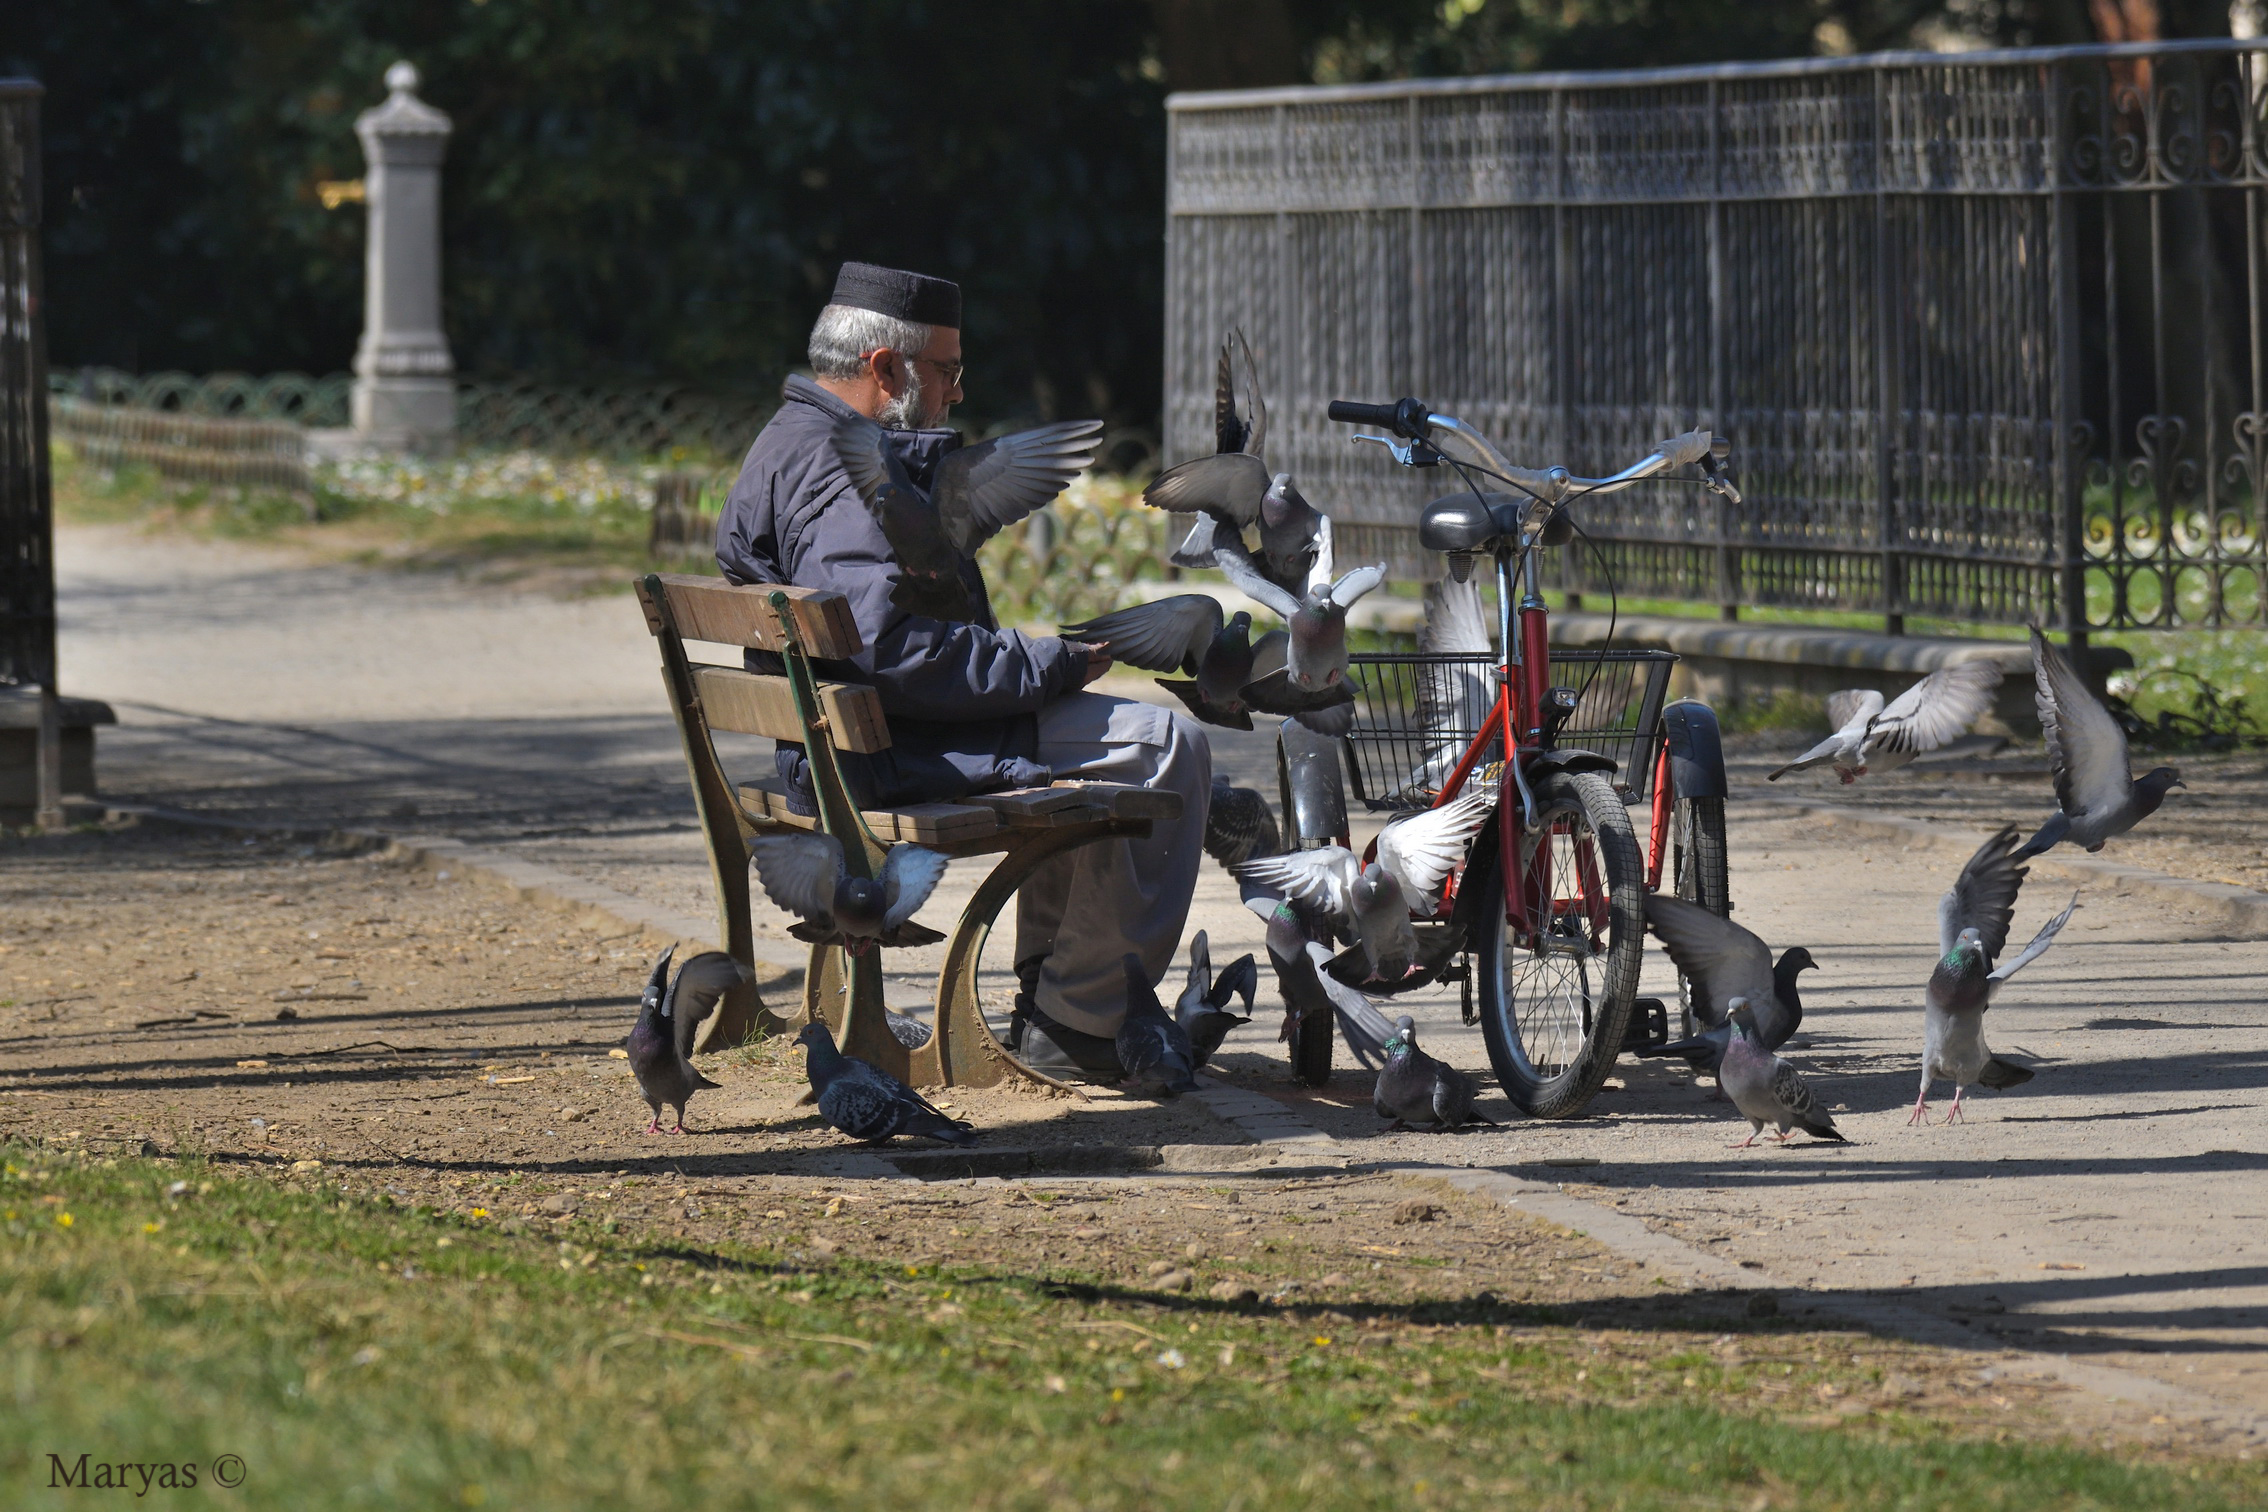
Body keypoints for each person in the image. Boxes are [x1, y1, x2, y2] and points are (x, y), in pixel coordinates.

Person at [715, 261, 1210, 1080]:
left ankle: (1057, 997)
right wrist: (1045, 663)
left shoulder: (783, 442)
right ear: (884, 369)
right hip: (887, 753)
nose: (957, 392)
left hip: (839, 742)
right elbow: (895, 649)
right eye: (945, 370)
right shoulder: (847, 477)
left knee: (1107, 748)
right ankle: (1080, 1015)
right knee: (1167, 744)